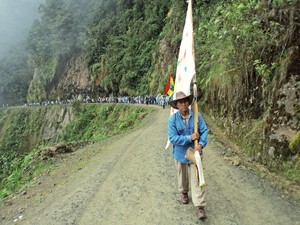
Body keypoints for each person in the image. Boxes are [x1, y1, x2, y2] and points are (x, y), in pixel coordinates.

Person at [168, 91, 209, 220]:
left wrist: (201, 144)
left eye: (185, 101)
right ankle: (184, 193)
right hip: (180, 153)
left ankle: (200, 206)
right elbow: (173, 138)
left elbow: (204, 131)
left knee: (197, 178)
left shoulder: (197, 116)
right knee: (183, 176)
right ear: (177, 105)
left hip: (195, 153)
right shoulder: (172, 120)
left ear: (189, 102)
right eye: (180, 102)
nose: (183, 104)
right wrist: (189, 137)